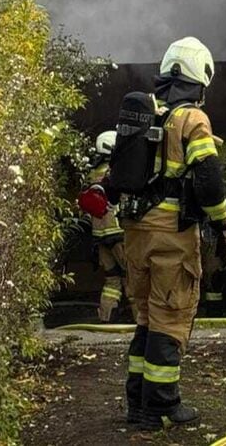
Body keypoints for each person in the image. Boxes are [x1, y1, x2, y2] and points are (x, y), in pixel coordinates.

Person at [114, 37, 226, 430]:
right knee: (170, 316)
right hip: (170, 236)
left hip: (136, 232)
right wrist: (223, 223)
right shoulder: (192, 120)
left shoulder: (147, 113)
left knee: (147, 318)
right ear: (200, 79)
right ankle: (161, 406)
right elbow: (209, 180)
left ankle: (136, 403)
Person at [86, 130, 129, 322]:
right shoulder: (116, 172)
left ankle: (106, 318)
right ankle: (141, 322)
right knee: (132, 277)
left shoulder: (92, 174)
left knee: (112, 280)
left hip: (99, 237)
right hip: (118, 233)